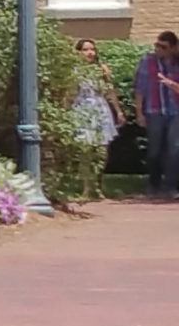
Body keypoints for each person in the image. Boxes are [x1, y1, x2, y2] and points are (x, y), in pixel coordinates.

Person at [72, 39, 126, 198]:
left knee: (102, 150)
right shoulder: (74, 71)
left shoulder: (101, 70)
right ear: (78, 52)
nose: (90, 53)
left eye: (92, 49)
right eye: (85, 50)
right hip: (82, 108)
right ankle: (86, 187)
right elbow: (70, 94)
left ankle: (98, 184)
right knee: (85, 149)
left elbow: (110, 91)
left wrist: (118, 111)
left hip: (100, 108)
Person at [139, 32, 179, 200]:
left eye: (163, 47)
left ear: (174, 48)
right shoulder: (147, 61)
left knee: (175, 149)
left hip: (176, 112)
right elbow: (139, 88)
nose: (158, 49)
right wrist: (138, 112)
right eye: (157, 45)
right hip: (154, 110)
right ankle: (154, 184)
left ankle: (171, 186)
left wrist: (171, 84)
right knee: (154, 149)